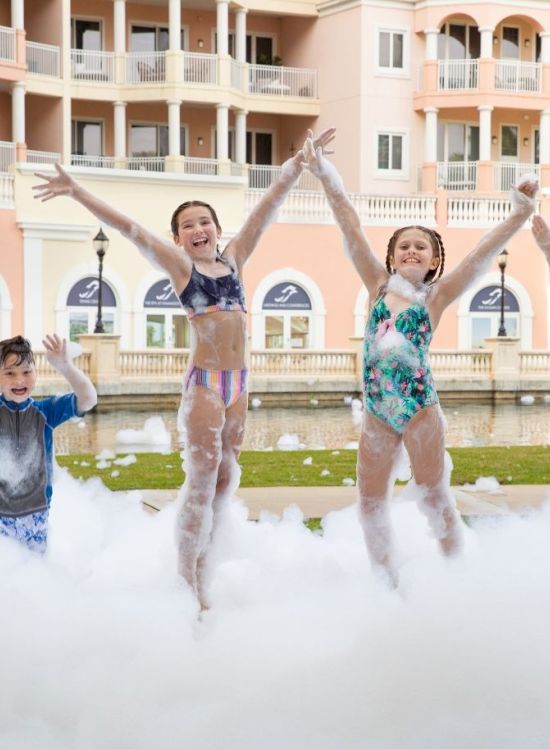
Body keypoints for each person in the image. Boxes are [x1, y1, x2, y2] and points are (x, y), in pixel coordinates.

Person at [33, 131, 335, 607]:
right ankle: (185, 582)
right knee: (201, 479)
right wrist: (78, 193)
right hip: (207, 387)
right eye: (188, 226)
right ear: (178, 238)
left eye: (205, 222)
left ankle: (206, 564)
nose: (198, 230)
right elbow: (132, 230)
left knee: (223, 480)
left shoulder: (234, 262)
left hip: (239, 385)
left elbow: (267, 209)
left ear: (216, 228)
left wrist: (298, 163)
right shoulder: (182, 270)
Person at [302, 130, 537, 585]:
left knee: (433, 495)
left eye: (421, 246)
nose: (411, 250)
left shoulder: (436, 296)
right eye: (403, 245)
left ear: (432, 261)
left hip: (419, 408)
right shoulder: (376, 285)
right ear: (391, 257)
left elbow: (480, 255)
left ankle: (456, 574)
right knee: (370, 501)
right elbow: (350, 225)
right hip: (376, 410)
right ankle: (385, 579)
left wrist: (520, 213)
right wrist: (324, 173)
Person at [0, 333, 97, 553]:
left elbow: (89, 399)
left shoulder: (45, 412)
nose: (19, 380)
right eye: (9, 373)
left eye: (26, 371)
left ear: (35, 373)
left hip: (36, 519)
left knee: (34, 579)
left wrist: (65, 367)